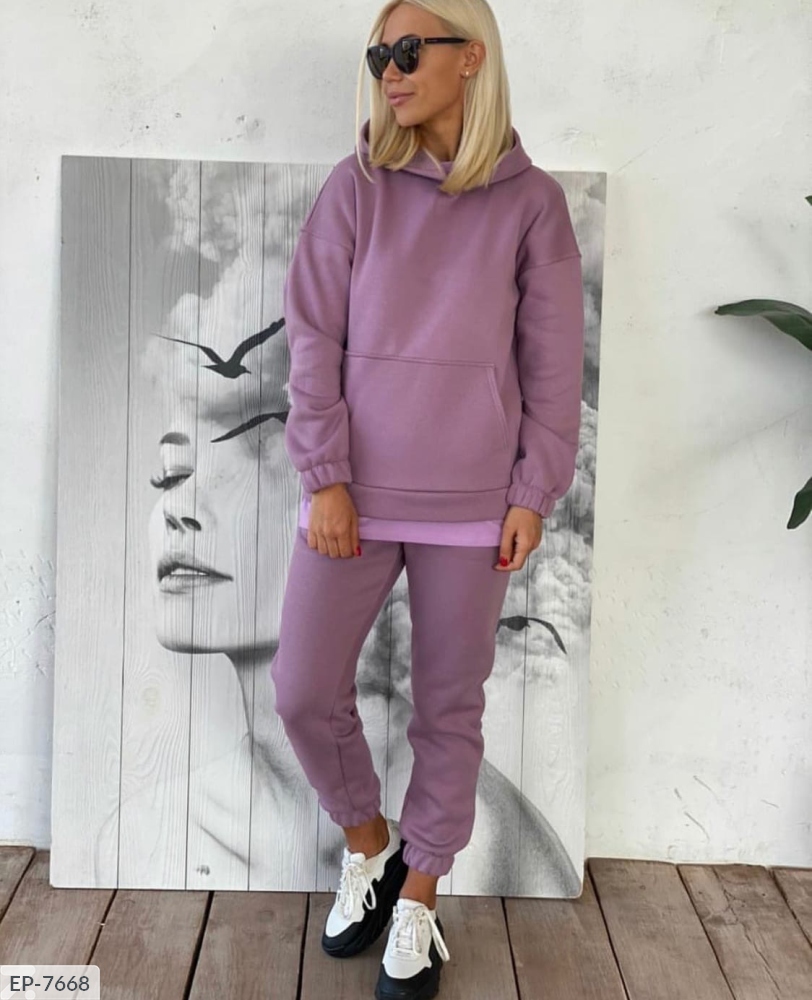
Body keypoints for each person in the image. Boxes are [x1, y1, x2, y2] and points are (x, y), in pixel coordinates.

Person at [270, 0, 585, 997]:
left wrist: (532, 490)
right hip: (352, 499)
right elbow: (312, 337)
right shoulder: (355, 187)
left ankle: (419, 896)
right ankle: (370, 845)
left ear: (470, 57)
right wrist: (324, 475)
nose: (390, 72)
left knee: (449, 705)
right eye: (379, 56)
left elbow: (554, 366)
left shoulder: (532, 204)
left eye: (408, 51)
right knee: (302, 688)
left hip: (475, 504)